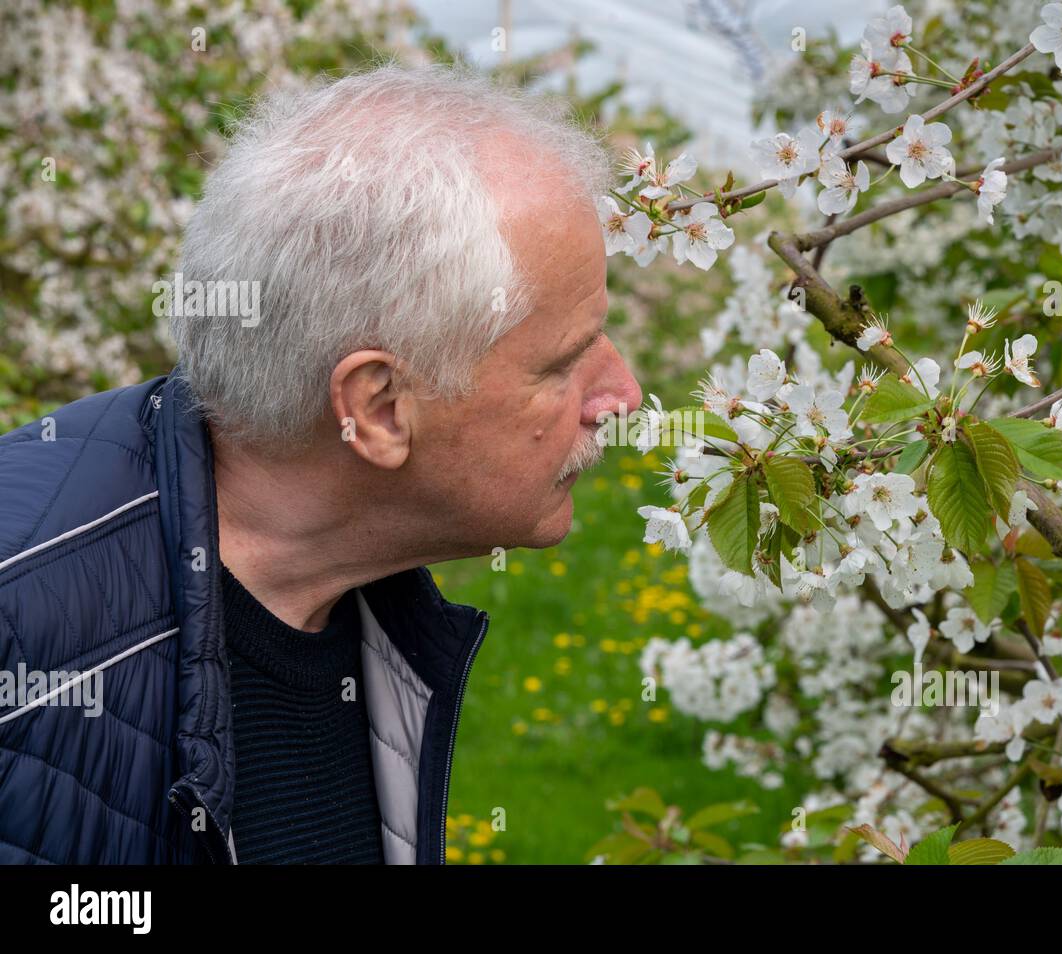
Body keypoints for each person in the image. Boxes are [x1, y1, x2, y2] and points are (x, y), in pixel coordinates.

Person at [0, 63, 642, 864]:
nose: (622, 396)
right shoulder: (25, 646)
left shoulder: (371, 602)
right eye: (562, 365)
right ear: (375, 409)